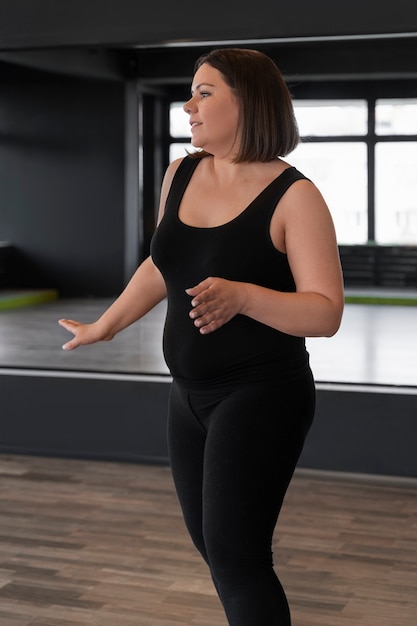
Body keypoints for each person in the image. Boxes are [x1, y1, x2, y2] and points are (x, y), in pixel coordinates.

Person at [59, 48, 344, 625]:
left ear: (249, 103)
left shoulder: (295, 196)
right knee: (216, 550)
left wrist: (244, 296)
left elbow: (325, 313)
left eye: (205, 93)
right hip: (187, 395)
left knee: (239, 559)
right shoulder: (181, 173)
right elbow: (164, 264)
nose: (189, 106)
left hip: (262, 395)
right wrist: (104, 326)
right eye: (191, 93)